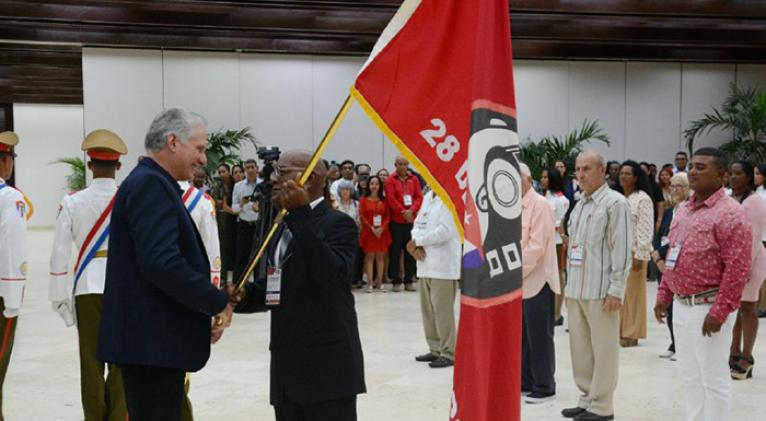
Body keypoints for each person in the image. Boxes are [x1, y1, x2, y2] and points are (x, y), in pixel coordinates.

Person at [97, 108, 233, 421]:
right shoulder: (151, 185)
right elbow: (161, 262)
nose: (203, 159)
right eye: (198, 148)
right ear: (172, 141)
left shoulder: (153, 182)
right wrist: (215, 301)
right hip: (151, 346)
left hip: (151, 344)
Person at [241, 149, 366, 420]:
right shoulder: (282, 225)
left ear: (310, 179)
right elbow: (281, 287)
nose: (273, 179)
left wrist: (299, 215)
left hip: (327, 370)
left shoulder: (338, 224)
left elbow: (331, 275)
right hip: (288, 368)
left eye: (283, 173)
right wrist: (243, 297)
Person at [654, 147, 752, 421]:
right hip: (682, 306)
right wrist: (664, 293)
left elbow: (737, 269)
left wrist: (720, 311)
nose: (693, 172)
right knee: (690, 377)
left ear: (721, 175)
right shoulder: (683, 209)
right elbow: (673, 254)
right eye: (692, 167)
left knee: (713, 380)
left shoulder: (731, 214)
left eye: (701, 167)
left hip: (708, 308)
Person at [49, 129, 129, 421]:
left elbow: (59, 252)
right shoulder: (129, 200)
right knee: (122, 360)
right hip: (122, 288)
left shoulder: (72, 202)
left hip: (87, 288)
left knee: (91, 363)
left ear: (89, 164)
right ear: (118, 166)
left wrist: (59, 299)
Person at [561, 150, 631, 421]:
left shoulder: (615, 203)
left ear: (603, 170)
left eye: (587, 169)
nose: (581, 174)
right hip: (578, 288)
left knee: (603, 349)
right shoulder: (579, 204)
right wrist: (569, 287)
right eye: (578, 169)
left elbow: (622, 250)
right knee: (581, 348)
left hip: (602, 291)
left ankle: (602, 407)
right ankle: (587, 397)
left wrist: (616, 289)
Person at [405, 186, 461, 369]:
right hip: (424, 263)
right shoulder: (428, 196)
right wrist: (416, 243)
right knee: (427, 311)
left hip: (442, 265)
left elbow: (445, 231)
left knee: (442, 311)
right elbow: (417, 224)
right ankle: (435, 348)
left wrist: (419, 242)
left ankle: (448, 352)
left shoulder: (449, 197)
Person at [519, 163, 560, 403]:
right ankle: (526, 381)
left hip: (538, 281)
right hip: (520, 282)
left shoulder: (541, 205)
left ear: (528, 179)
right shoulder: (515, 207)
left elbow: (536, 247)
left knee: (540, 336)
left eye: (518, 178)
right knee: (523, 336)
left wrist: (514, 271)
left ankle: (545, 385)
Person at [727, 160, 766, 380]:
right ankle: (733, 351)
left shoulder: (755, 201)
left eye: (739, 173)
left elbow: (753, 237)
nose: (734, 177)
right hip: (732, 262)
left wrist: (743, 268)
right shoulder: (727, 197)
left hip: (752, 260)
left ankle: (747, 356)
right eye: (731, 173)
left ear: (749, 177)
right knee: (734, 307)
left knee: (748, 307)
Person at [0, 131, 27, 420]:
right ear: (6, 162)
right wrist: (13, 297)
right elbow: (11, 249)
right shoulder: (10, 198)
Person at [651, 172, 690, 360]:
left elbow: (680, 239)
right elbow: (660, 236)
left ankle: (682, 345)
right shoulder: (669, 211)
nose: (674, 190)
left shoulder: (690, 210)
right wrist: (657, 256)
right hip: (664, 263)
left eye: (678, 186)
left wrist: (661, 252)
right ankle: (674, 343)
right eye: (672, 186)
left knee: (679, 306)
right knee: (666, 304)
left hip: (679, 263)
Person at [616, 160, 654, 347]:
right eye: (621, 173)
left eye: (627, 174)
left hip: (634, 253)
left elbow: (645, 228)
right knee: (619, 292)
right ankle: (620, 329)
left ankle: (632, 332)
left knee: (633, 295)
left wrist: (640, 253)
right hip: (617, 252)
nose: (623, 176)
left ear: (636, 177)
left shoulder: (643, 198)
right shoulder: (617, 197)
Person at [385, 156, 423, 292]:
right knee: (395, 252)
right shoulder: (390, 180)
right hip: (396, 222)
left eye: (404, 164)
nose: (402, 166)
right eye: (399, 164)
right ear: (395, 165)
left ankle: (409, 280)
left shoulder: (414, 179)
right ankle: (396, 280)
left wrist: (411, 211)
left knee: (411, 251)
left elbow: (419, 197)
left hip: (411, 221)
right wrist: (403, 212)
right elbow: (391, 199)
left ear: (408, 165)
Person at [541, 166, 569, 326]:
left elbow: (560, 222)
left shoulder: (561, 200)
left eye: (546, 177)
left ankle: (557, 313)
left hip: (557, 242)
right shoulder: (545, 197)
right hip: (544, 242)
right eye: (542, 177)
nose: (543, 180)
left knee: (558, 276)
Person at [359, 175, 391, 293]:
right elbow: (362, 216)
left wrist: (381, 228)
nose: (374, 186)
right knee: (369, 257)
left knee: (380, 257)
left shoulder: (384, 200)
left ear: (380, 186)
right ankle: (370, 283)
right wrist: (372, 228)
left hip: (382, 233)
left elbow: (388, 216)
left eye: (376, 184)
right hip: (369, 233)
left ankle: (379, 282)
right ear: (368, 185)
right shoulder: (363, 200)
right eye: (372, 183)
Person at [231, 159, 260, 284]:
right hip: (244, 225)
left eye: (252, 167)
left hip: (259, 225)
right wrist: (242, 204)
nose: (250, 170)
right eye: (247, 168)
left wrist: (260, 207)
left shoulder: (263, 185)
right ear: (245, 171)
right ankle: (238, 286)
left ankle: (260, 285)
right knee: (242, 256)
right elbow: (233, 208)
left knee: (259, 257)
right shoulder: (238, 186)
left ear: (257, 168)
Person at [213, 163, 238, 283]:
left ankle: (236, 276)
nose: (222, 174)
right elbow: (215, 201)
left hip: (236, 221)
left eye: (224, 171)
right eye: (220, 172)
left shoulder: (236, 184)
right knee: (222, 249)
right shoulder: (217, 186)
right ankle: (222, 277)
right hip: (223, 221)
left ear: (229, 172)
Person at [755, 164, 766, 318]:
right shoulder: (757, 191)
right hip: (756, 236)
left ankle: (763, 306)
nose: (755, 176)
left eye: (758, 173)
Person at [656, 167, 673, 232]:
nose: (664, 177)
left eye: (666, 175)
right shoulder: (658, 189)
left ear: (671, 176)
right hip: (662, 215)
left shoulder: (674, 188)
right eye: (662, 175)